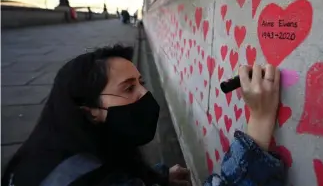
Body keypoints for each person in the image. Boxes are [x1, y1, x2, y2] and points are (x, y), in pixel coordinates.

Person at [2, 45, 285, 186]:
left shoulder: (50, 150)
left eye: (141, 83)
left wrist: (157, 178)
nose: (144, 96)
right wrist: (259, 120)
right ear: (90, 112)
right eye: (128, 88)